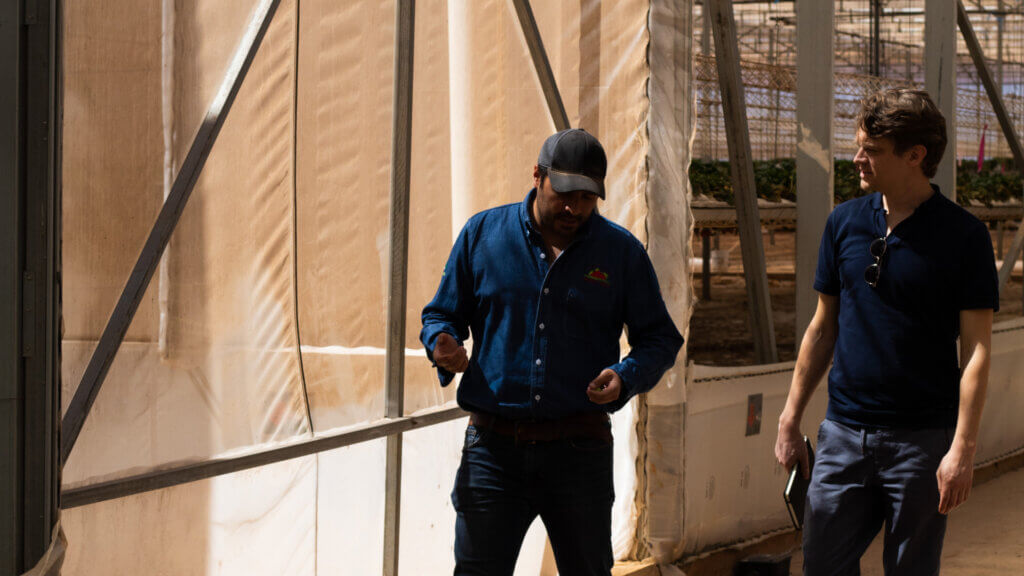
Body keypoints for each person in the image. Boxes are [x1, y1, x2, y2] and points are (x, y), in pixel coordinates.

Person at [421, 128, 683, 576]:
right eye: (564, 193)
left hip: (579, 452)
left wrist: (625, 375)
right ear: (538, 176)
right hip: (493, 453)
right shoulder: (483, 235)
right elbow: (441, 315)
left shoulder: (620, 253)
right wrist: (442, 343)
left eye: (587, 197)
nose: (574, 208)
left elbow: (660, 338)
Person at [775, 88, 999, 575]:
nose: (857, 159)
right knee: (822, 562)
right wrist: (791, 416)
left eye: (872, 150)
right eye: (859, 145)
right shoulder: (844, 223)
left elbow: (977, 348)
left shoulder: (963, 236)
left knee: (910, 569)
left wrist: (962, 447)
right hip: (842, 434)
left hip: (920, 443)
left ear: (915, 156)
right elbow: (821, 328)